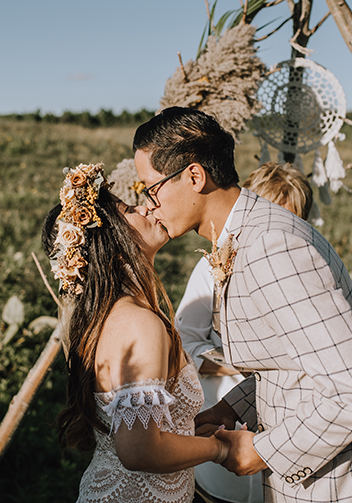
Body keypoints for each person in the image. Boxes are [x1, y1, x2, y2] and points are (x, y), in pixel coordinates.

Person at [132, 108, 352, 503]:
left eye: (151, 188)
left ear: (194, 176)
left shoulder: (273, 247)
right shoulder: (248, 234)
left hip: (338, 486)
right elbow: (294, 365)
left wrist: (261, 450)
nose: (148, 204)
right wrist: (231, 407)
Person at [41, 162, 230, 503]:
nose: (145, 206)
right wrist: (219, 450)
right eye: (129, 210)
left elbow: (141, 428)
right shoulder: (138, 323)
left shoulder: (110, 316)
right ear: (112, 240)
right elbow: (138, 450)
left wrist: (192, 426)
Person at [175, 162, 313, 503]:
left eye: (292, 220)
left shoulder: (307, 268)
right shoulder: (212, 268)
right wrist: (234, 364)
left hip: (289, 417)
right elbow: (184, 341)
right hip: (225, 403)